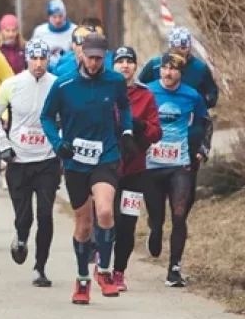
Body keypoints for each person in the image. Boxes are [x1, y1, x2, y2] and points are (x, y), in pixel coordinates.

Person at [40, 33, 145, 304]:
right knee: (84, 225)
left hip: (106, 155)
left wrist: (127, 131)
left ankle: (105, 271)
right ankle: (82, 279)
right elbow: (47, 117)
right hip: (75, 160)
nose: (95, 63)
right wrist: (58, 143)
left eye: (100, 58)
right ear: (81, 55)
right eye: (91, 57)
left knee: (106, 210)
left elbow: (124, 105)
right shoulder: (64, 85)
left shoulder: (114, 81)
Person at [0, 39, 59, 287]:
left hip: (48, 159)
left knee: (45, 214)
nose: (38, 64)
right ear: (27, 59)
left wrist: (61, 143)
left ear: (48, 59)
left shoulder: (57, 84)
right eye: (34, 59)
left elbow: (68, 115)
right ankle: (20, 236)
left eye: (43, 59)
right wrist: (3, 145)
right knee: (24, 215)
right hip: (18, 158)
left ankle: (40, 267)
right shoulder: (12, 84)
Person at [142, 52, 212, 288]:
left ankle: (174, 269)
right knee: (157, 216)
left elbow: (206, 122)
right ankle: (154, 229)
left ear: (181, 72)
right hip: (151, 165)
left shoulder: (191, 95)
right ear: (159, 69)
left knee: (180, 214)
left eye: (173, 69)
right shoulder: (147, 91)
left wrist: (203, 147)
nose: (168, 73)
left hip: (179, 164)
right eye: (164, 68)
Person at [137, 26, 220, 214]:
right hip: (160, 131)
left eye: (185, 48)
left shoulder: (199, 68)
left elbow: (212, 93)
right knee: (155, 187)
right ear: (170, 47)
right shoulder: (157, 65)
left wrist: (198, 102)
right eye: (177, 48)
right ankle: (156, 219)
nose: (182, 52)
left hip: (188, 130)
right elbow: (140, 88)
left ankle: (180, 214)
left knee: (186, 190)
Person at [111, 46, 162, 291]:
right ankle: (101, 262)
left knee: (127, 224)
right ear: (113, 66)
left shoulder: (146, 95)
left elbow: (157, 131)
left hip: (135, 170)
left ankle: (119, 271)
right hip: (107, 167)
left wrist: (141, 127)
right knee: (107, 218)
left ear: (135, 66)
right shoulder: (105, 92)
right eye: (119, 61)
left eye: (129, 61)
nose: (124, 66)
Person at [31, 0, 75, 69]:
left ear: (65, 15)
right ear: (48, 17)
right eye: (54, 17)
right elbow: (32, 54)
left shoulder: (74, 30)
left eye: (60, 16)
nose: (58, 20)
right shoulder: (39, 32)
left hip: (67, 71)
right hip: (45, 72)